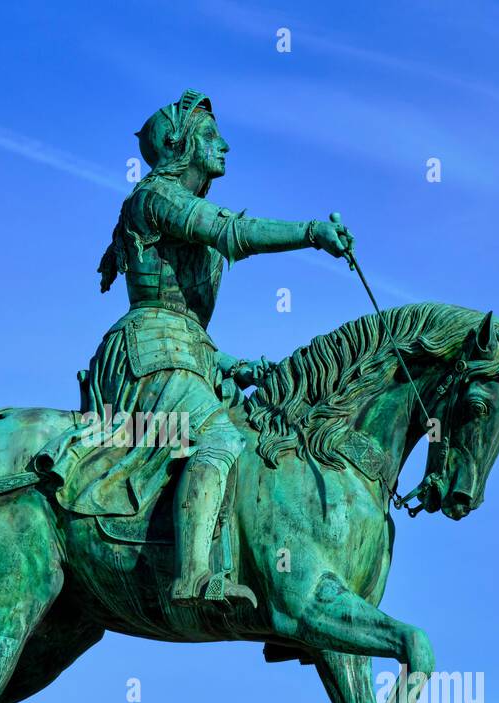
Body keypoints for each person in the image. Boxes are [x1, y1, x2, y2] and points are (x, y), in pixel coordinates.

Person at [88, 89, 353, 609]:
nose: (225, 145)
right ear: (178, 143)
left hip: (186, 354)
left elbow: (186, 321)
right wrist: (310, 232)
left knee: (262, 439)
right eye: (210, 136)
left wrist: (237, 365)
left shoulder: (180, 203)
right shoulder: (157, 195)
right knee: (219, 438)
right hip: (146, 357)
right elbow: (233, 234)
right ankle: (191, 577)